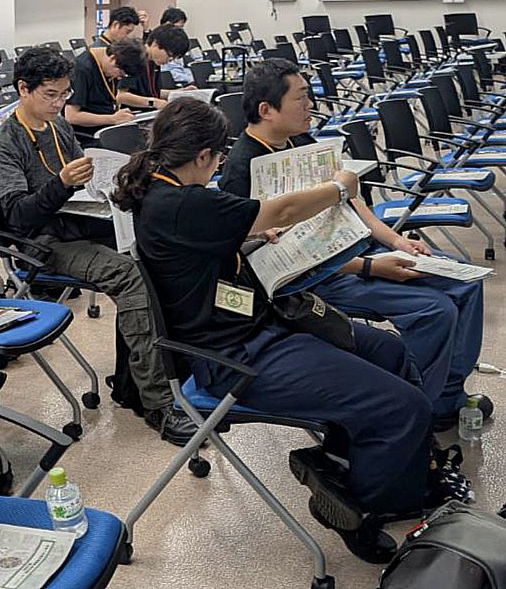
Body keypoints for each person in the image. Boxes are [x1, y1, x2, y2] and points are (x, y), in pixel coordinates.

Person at [113, 99, 471, 563]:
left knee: (390, 353)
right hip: (236, 355)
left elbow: (205, 248)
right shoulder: (183, 203)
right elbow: (280, 210)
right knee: (404, 407)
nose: (219, 165)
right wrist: (339, 188)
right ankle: (365, 506)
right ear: (203, 155)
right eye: (217, 157)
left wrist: (251, 236)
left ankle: (342, 462)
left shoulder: (165, 192)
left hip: (255, 326)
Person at [218, 59, 489, 431]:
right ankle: (416, 406)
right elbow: (270, 258)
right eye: (301, 98)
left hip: (356, 250)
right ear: (267, 110)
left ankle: (447, 394)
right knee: (434, 311)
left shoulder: (300, 141)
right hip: (315, 277)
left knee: (467, 282)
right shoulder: (242, 169)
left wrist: (396, 241)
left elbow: (350, 200)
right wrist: (370, 266)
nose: (311, 105)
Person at [0, 46, 196, 445]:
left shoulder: (57, 127)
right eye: (50, 94)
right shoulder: (5, 144)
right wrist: (62, 184)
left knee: (155, 251)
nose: (58, 103)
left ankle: (135, 380)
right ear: (23, 89)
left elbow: (84, 177)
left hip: (78, 221)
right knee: (128, 274)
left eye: (63, 94)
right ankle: (157, 402)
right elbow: (18, 216)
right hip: (41, 241)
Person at [65, 38, 146, 145]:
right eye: (121, 73)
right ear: (113, 59)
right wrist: (113, 119)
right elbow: (72, 116)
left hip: (107, 127)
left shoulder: (108, 67)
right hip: (88, 135)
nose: (119, 78)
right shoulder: (82, 69)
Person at [118, 24, 194, 110]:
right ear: (155, 43)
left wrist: (178, 93)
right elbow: (121, 96)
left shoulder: (154, 62)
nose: (170, 60)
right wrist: (153, 103)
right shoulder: (134, 57)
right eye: (169, 55)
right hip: (132, 113)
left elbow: (154, 93)